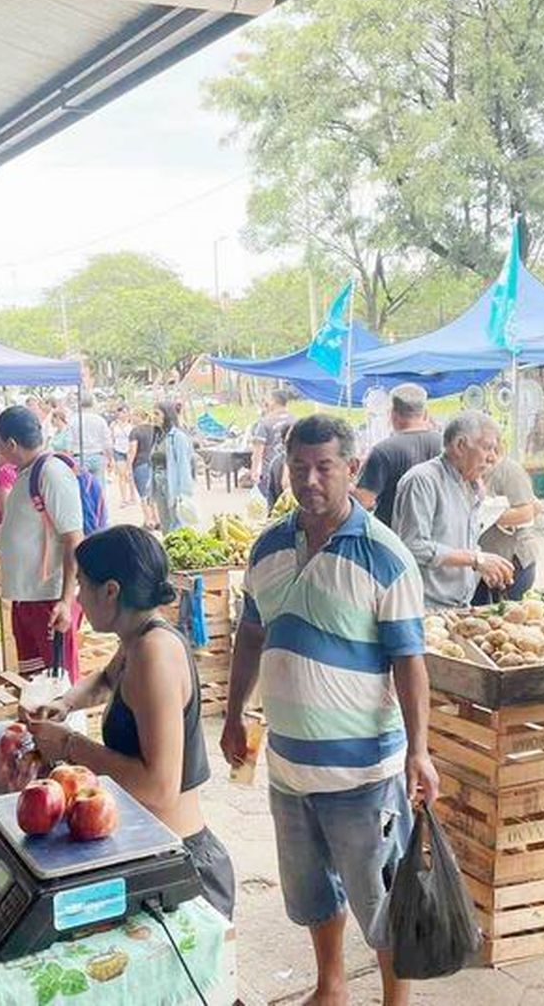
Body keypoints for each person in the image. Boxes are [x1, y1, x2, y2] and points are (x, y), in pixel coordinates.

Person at [220, 415, 437, 1006]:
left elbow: (409, 660)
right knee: (314, 890)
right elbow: (250, 632)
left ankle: (397, 1001)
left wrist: (419, 750)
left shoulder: (384, 555)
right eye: (298, 467)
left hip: (362, 771)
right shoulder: (266, 547)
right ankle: (331, 986)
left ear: (352, 468)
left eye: (324, 467)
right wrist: (234, 711)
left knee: (381, 896)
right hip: (289, 766)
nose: (310, 480)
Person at [25, 526, 235, 919]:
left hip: (181, 865)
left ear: (111, 591)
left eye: (82, 587)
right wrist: (65, 703)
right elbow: (106, 680)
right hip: (150, 849)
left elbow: (159, 787)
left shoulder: (153, 655)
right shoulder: (136, 639)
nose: (78, 601)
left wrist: (70, 746)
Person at [0, 406, 84, 680]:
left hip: (49, 600)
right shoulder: (26, 474)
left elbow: (73, 539)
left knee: (60, 686)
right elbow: (25, 527)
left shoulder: (52, 473)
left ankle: (69, 725)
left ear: (11, 443)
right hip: (26, 598)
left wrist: (66, 600)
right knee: (34, 684)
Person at [392, 411, 514, 609]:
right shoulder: (423, 480)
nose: (492, 458)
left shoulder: (470, 485)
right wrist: (476, 559)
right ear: (460, 446)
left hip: (460, 605)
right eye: (488, 448)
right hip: (426, 607)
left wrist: (483, 565)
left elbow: (459, 542)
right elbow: (413, 545)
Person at [355, 384, 442, 526]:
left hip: (395, 538)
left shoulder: (382, 452)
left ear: (392, 414)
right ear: (425, 414)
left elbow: (362, 501)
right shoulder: (446, 446)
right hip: (438, 536)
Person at [477, 456, 543, 602]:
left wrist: (488, 514)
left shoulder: (508, 470)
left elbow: (529, 511)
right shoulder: (471, 470)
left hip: (513, 560)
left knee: (510, 614)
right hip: (484, 562)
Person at [150, 401, 197, 534]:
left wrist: (184, 492)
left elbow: (184, 465)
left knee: (177, 522)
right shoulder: (158, 436)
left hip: (173, 483)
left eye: (157, 414)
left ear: (167, 415)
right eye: (153, 413)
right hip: (159, 483)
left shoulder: (178, 437)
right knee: (165, 522)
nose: (153, 417)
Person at [249, 389, 296, 505]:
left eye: (268, 399)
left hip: (270, 471)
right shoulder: (296, 420)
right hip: (292, 469)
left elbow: (258, 450)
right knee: (289, 504)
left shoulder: (265, 422)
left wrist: (254, 470)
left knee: (272, 505)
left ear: (273, 401)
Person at [68, 393, 113, 482]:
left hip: (79, 456)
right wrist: (110, 458)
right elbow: (107, 441)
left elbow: (69, 441)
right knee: (99, 488)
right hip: (97, 455)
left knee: (82, 487)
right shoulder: (100, 420)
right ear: (93, 403)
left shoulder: (74, 420)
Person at [127, 410, 159, 528]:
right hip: (154, 463)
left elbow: (132, 451)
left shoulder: (135, 431)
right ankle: (157, 519)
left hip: (140, 463)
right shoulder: (155, 429)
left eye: (133, 416)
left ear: (138, 417)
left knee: (143, 494)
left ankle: (148, 520)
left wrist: (128, 466)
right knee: (153, 493)